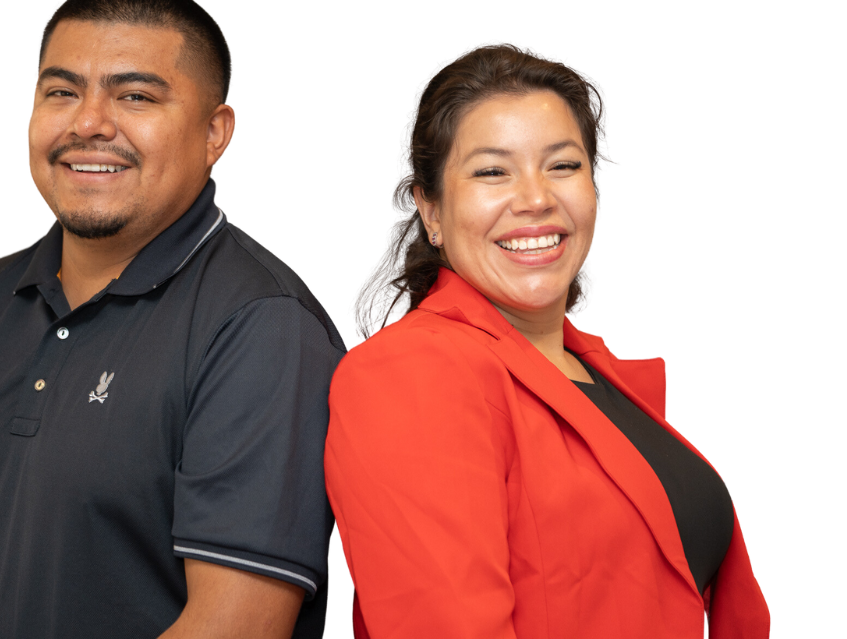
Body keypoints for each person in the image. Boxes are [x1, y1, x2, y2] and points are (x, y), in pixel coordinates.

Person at [0, 0, 345, 639]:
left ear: (215, 133)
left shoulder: (262, 324)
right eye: (61, 92)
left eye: (135, 95)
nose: (88, 124)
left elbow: (237, 623)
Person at [323, 43, 771, 638]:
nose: (536, 198)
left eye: (562, 165)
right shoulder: (411, 370)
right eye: (492, 171)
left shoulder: (601, 376)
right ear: (431, 210)